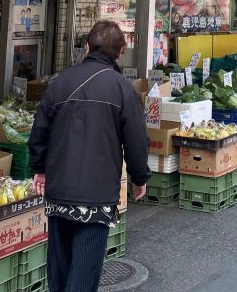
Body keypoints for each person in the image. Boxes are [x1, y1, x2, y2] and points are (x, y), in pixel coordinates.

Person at [29, 21, 151, 292]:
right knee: (85, 272)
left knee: (59, 269)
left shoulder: (60, 82)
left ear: (87, 46)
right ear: (120, 51)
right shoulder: (122, 88)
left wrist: (39, 168)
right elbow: (137, 140)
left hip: (59, 192)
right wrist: (139, 177)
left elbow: (39, 130)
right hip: (96, 198)